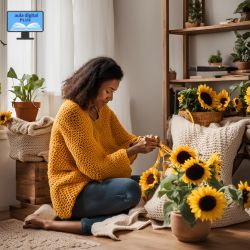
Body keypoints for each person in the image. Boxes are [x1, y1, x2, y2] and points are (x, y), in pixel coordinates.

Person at [23, 57, 160, 235]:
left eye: (113, 92)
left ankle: (107, 216)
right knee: (130, 190)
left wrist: (144, 141)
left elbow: (125, 140)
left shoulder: (102, 111)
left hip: (95, 183)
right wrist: (134, 149)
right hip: (72, 189)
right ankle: (51, 224)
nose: (110, 97)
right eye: (108, 91)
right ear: (93, 84)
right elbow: (94, 168)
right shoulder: (71, 112)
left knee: (151, 183)